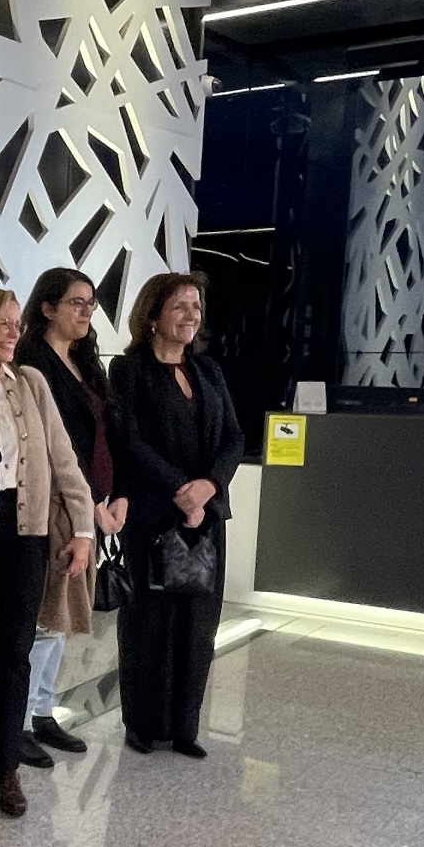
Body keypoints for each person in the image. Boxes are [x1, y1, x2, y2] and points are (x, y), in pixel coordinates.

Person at [0, 288, 94, 816]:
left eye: (17, 324)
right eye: (2, 324)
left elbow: (64, 460)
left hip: (24, 525)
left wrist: (84, 528)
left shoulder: (29, 383)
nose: (13, 333)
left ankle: (5, 765)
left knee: (15, 647)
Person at [109, 272, 243, 757]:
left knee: (197, 620)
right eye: (181, 306)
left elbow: (233, 436)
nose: (192, 315)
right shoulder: (129, 370)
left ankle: (184, 726)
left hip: (207, 514)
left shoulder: (208, 371)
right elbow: (129, 441)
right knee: (149, 619)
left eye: (196, 306)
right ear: (153, 315)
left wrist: (207, 487)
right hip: (153, 514)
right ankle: (142, 722)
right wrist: (179, 490)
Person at [15, 268, 127, 764]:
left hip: (87, 506)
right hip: (54, 505)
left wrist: (110, 497)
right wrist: (88, 507)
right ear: (47, 308)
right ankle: (16, 721)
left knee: (59, 622)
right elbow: (47, 448)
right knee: (43, 618)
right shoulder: (31, 364)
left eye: (90, 304)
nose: (85, 312)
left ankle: (41, 712)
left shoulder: (85, 361)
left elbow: (106, 437)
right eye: (76, 303)